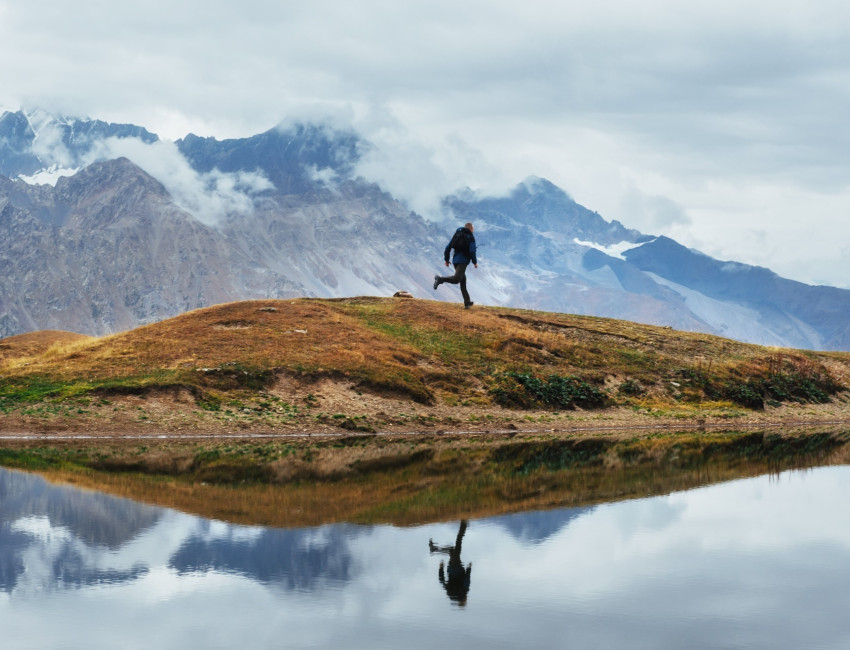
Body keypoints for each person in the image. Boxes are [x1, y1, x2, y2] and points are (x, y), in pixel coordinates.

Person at [433, 222, 477, 308]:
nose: (473, 230)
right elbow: (472, 251)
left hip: (455, 261)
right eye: (473, 229)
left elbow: (447, 247)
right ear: (471, 228)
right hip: (463, 262)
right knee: (457, 279)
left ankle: (467, 302)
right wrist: (475, 262)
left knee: (463, 280)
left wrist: (446, 259)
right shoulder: (470, 237)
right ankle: (440, 279)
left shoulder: (457, 234)